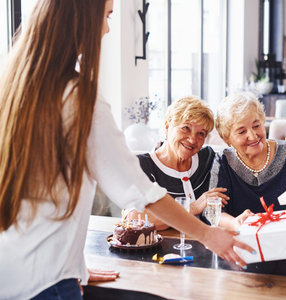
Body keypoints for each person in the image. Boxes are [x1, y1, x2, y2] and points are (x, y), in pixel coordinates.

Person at [0, 1, 253, 299]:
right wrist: (209, 235)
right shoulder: (80, 99)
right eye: (106, 16)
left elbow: (41, 196)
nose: (107, 29)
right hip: (47, 284)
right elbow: (140, 194)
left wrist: (75, 267)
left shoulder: (14, 84)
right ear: (81, 18)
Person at [213, 92, 286, 230]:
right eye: (242, 132)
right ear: (227, 139)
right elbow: (213, 210)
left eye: (256, 126)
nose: (253, 136)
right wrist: (234, 223)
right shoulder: (222, 163)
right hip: (243, 245)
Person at [130, 96, 229, 230]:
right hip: (165, 248)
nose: (193, 139)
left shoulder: (208, 158)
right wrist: (193, 207)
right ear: (167, 126)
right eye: (185, 128)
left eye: (201, 133)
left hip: (205, 245)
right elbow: (135, 219)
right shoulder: (143, 166)